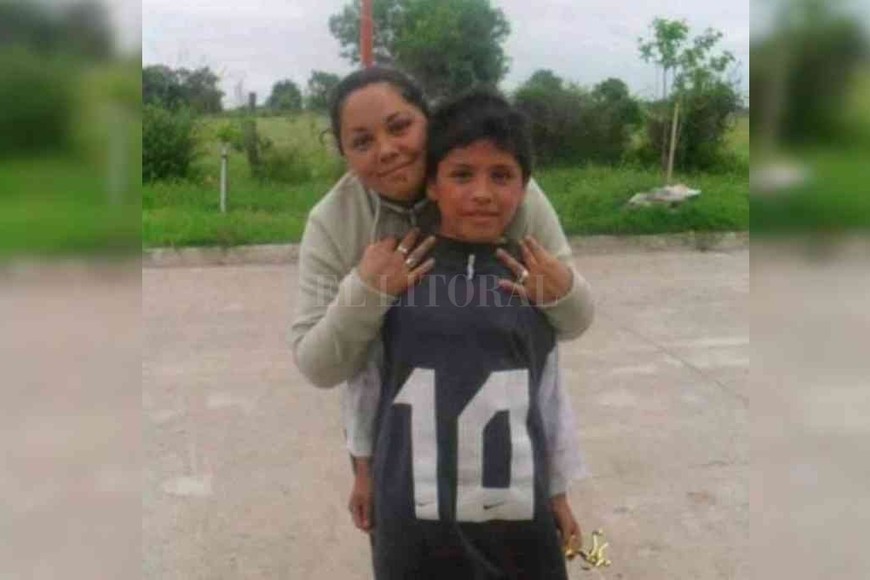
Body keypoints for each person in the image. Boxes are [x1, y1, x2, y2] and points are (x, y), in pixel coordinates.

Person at [347, 89, 583, 579]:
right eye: (461, 175)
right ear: (432, 185)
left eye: (501, 176)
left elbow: (549, 394)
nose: (482, 193)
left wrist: (558, 491)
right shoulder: (400, 269)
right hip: (414, 519)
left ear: (524, 187)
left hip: (517, 517)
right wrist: (362, 470)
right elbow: (366, 382)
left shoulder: (532, 277)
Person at [290, 66, 594, 391]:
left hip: (506, 417)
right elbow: (317, 368)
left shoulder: (505, 195)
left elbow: (575, 321)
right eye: (362, 142)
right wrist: (368, 290)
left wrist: (560, 293)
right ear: (344, 153)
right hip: (392, 431)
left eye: (400, 127)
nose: (387, 149)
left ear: (428, 119)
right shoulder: (333, 221)